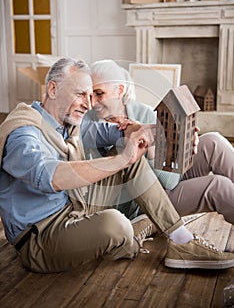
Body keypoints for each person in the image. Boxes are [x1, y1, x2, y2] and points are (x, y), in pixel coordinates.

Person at [0, 57, 234, 274]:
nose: (87, 104)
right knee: (117, 224)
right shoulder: (23, 134)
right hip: (41, 236)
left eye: (91, 95)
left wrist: (165, 135)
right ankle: (136, 231)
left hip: (75, 207)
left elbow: (115, 131)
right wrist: (122, 159)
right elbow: (50, 177)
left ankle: (182, 241)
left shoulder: (68, 124)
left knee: (127, 149)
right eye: (80, 94)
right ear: (52, 89)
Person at [87, 59, 234, 226]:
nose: (92, 102)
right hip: (143, 202)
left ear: (120, 90)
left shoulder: (144, 112)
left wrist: (180, 141)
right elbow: (168, 183)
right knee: (217, 186)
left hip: (166, 177)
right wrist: (149, 146)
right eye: (89, 94)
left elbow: (171, 174)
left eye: (99, 94)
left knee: (213, 142)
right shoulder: (90, 127)